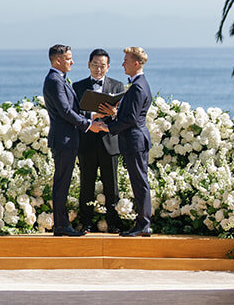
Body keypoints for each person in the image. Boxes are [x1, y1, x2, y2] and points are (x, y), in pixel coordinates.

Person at [41, 44, 107, 236]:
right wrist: (88, 124)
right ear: (58, 60)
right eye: (69, 58)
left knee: (64, 182)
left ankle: (61, 225)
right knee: (62, 183)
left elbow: (72, 109)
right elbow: (65, 111)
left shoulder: (59, 79)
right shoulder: (54, 80)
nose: (72, 61)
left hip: (68, 139)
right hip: (64, 140)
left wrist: (91, 116)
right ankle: (61, 226)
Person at [94, 47, 154, 236]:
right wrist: (115, 113)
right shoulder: (141, 83)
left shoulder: (137, 86)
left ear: (136, 63)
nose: (122, 64)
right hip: (136, 139)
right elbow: (131, 115)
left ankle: (143, 225)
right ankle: (142, 223)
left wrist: (108, 127)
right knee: (139, 182)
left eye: (126, 61)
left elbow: (131, 120)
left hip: (135, 140)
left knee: (140, 183)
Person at [73, 48, 126, 231]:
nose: (98, 69)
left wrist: (113, 113)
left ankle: (113, 222)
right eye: (95, 65)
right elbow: (74, 113)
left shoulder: (118, 86)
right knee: (86, 184)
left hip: (109, 142)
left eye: (102, 65)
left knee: (111, 185)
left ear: (108, 67)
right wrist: (92, 115)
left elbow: (123, 115)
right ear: (89, 65)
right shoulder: (78, 87)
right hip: (87, 142)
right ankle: (86, 222)